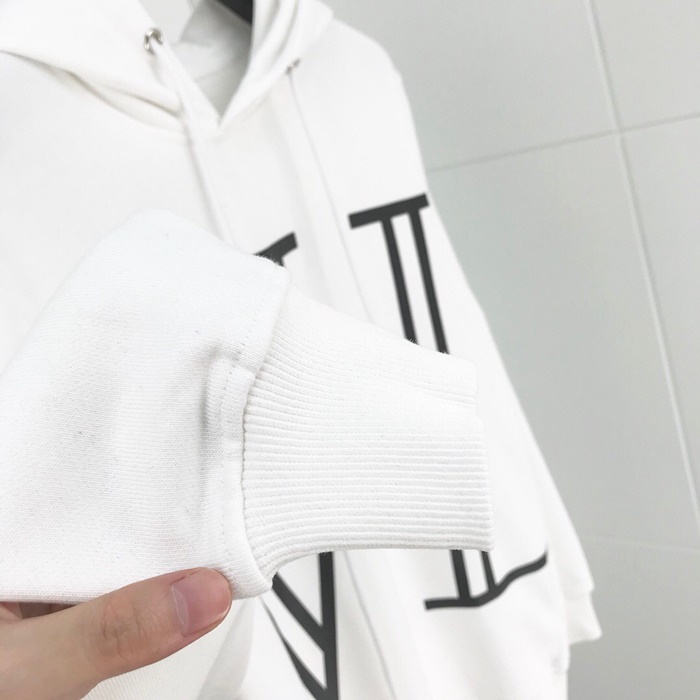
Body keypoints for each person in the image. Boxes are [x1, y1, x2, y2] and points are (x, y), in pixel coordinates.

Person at [0, 0, 601, 697]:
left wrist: (542, 587)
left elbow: (444, 325)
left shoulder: (350, 65)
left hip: (479, 646)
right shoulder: (19, 132)